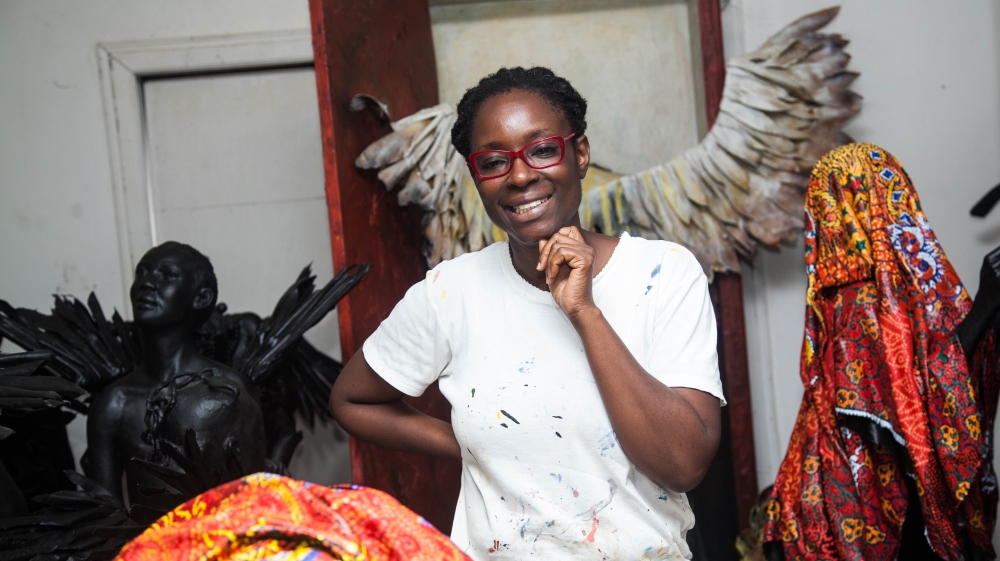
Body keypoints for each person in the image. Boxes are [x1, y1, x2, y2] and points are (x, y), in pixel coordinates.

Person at [331, 67, 725, 559]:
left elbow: (683, 464)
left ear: (579, 154)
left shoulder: (663, 273)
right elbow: (352, 400)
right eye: (494, 161)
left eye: (542, 150)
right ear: (476, 176)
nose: (519, 176)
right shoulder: (452, 292)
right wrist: (472, 443)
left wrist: (584, 312)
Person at [762, 143, 999, 560]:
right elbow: (910, 413)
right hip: (875, 530)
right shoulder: (858, 301)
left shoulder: (877, 293)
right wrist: (984, 307)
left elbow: (927, 386)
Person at [85, 242, 266, 503]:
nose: (147, 283)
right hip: (144, 544)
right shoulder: (114, 403)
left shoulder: (231, 389)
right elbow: (103, 519)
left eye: (167, 274)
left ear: (201, 297)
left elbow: (257, 499)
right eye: (142, 273)